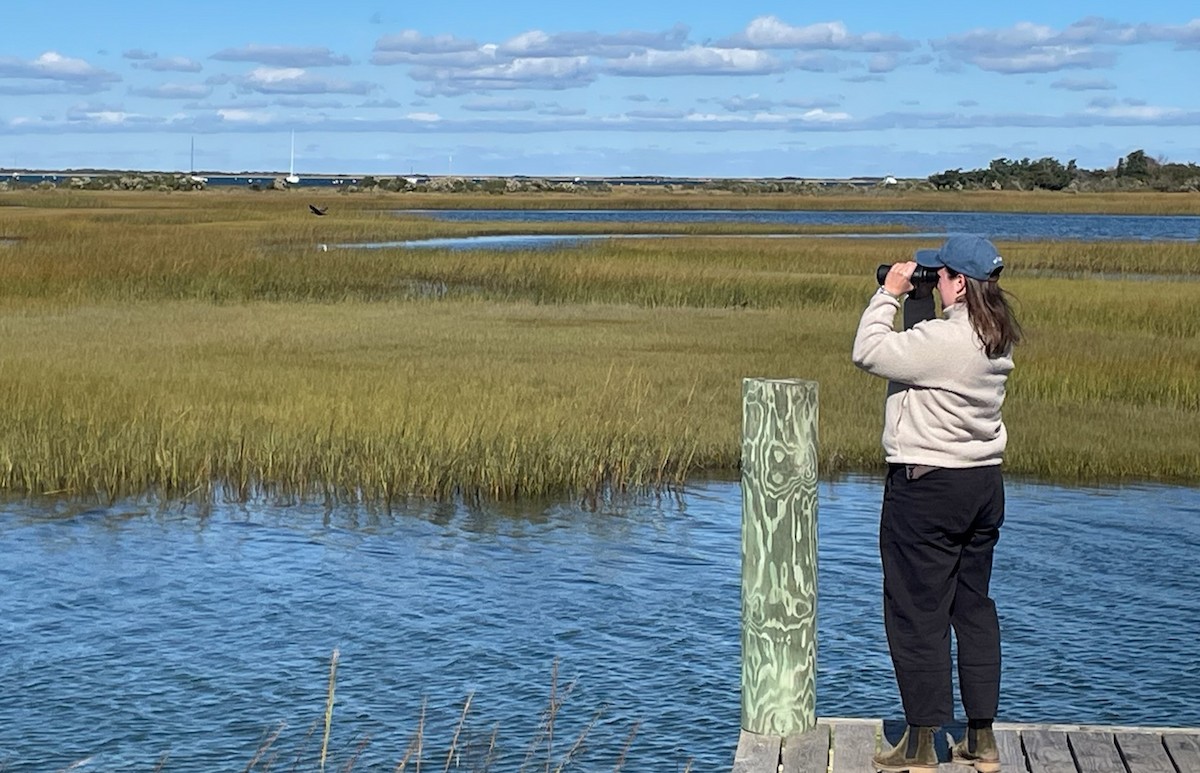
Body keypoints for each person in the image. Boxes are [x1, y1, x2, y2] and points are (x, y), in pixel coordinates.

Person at [851, 235, 1022, 773]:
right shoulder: (994, 336)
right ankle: (981, 738)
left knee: (915, 613)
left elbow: (869, 351)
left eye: (939, 274)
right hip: (981, 486)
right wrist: (924, 297)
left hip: (926, 487)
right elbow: (928, 342)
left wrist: (889, 293)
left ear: (959, 284)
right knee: (972, 609)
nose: (932, 280)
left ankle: (921, 744)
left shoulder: (944, 343)